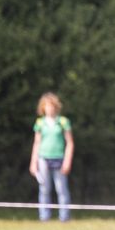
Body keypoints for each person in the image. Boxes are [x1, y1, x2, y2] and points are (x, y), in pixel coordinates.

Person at [29, 92, 74, 222]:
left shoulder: (63, 122)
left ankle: (64, 217)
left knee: (61, 189)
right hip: (43, 158)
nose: (50, 109)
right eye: (47, 106)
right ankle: (44, 216)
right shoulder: (40, 123)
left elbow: (70, 143)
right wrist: (33, 162)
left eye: (52, 106)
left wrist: (67, 161)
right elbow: (36, 143)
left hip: (59, 158)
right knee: (44, 188)